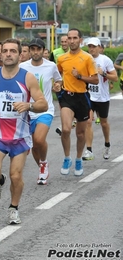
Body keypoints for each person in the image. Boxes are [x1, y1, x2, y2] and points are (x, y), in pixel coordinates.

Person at [0, 38, 48, 224]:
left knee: (16, 176)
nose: (8, 54)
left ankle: (13, 208)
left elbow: (43, 104)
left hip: (20, 136)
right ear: (0, 54)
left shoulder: (27, 77)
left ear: (19, 54)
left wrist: (29, 105)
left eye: (13, 51)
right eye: (5, 51)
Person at [20, 38, 62, 185]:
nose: (35, 52)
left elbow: (58, 80)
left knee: (38, 140)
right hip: (27, 111)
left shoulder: (50, 66)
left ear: (43, 51)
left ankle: (43, 162)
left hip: (45, 109)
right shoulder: (22, 66)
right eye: (33, 49)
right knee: (33, 145)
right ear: (30, 51)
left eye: (38, 49)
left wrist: (57, 86)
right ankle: (42, 168)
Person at [57, 28, 98, 176]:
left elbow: (95, 79)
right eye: (69, 38)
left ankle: (78, 159)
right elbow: (59, 74)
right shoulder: (61, 58)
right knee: (66, 129)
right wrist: (57, 83)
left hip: (82, 97)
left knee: (80, 134)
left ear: (80, 40)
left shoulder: (87, 58)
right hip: (67, 96)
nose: (72, 41)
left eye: (75, 38)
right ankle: (67, 157)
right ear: (67, 40)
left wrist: (80, 76)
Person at [82, 37, 118, 161]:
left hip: (102, 97)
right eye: (90, 46)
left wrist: (103, 73)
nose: (91, 49)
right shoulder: (85, 59)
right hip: (89, 95)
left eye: (94, 46)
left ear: (99, 47)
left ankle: (107, 144)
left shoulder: (105, 60)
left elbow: (115, 78)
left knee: (103, 123)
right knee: (88, 121)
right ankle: (89, 150)